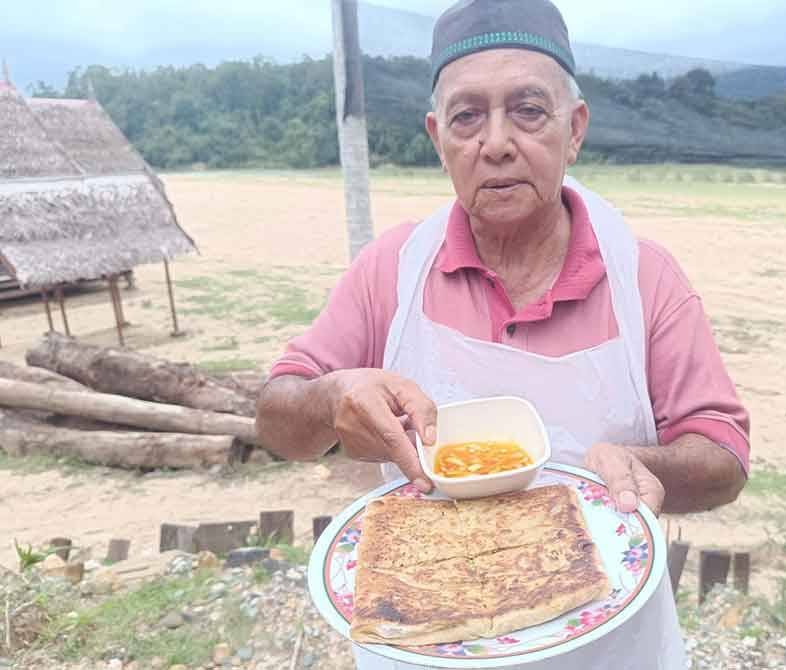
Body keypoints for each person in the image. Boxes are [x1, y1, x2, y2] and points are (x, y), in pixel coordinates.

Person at [257, 1, 750, 668]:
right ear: (438, 138)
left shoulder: (644, 276)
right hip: (418, 639)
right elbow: (277, 418)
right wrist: (329, 398)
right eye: (467, 116)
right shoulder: (392, 270)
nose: (495, 143)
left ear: (574, 129)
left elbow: (722, 456)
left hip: (613, 648)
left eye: (528, 110)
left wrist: (651, 466)